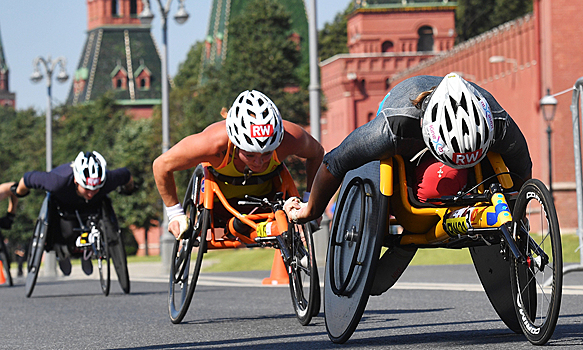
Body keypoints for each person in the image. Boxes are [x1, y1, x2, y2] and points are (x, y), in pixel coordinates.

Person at [286, 72, 532, 223]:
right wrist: (311, 210)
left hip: (474, 137)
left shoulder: (499, 124)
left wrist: (515, 215)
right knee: (429, 185)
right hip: (404, 109)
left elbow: (523, 170)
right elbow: (334, 162)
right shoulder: (391, 127)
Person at [153, 89, 324, 240]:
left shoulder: (290, 138)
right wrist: (174, 213)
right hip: (220, 205)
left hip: (269, 200)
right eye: (249, 155)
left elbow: (317, 154)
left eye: (267, 154)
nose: (258, 161)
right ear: (235, 143)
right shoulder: (212, 143)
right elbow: (161, 165)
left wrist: (311, 201)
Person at [12, 151, 134, 276]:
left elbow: (126, 175)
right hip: (64, 210)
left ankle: (87, 250)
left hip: (92, 210)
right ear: (76, 180)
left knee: (96, 215)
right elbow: (27, 179)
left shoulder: (108, 180)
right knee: (68, 230)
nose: (91, 193)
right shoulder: (57, 181)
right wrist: (19, 192)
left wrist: (129, 189)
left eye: (95, 189)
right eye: (86, 189)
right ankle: (62, 251)